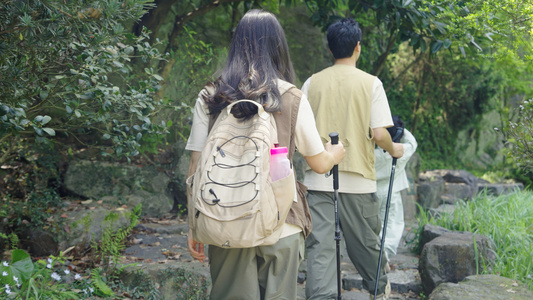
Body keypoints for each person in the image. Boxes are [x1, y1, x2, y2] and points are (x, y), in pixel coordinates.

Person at [185, 9, 345, 300]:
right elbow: (319, 163)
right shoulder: (291, 96)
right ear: (278, 47)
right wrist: (335, 153)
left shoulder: (211, 94)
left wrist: (195, 224)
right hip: (281, 222)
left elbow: (196, 165)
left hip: (224, 222)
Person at [301, 18, 404, 300]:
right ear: (358, 47)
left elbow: (301, 129)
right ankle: (379, 290)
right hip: (358, 181)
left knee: (320, 247)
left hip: (317, 179)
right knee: (366, 245)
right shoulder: (371, 84)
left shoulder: (311, 83)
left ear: (331, 48)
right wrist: (394, 149)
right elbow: (379, 132)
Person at [375, 116, 418, 271]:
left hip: (370, 192)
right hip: (391, 192)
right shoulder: (402, 151)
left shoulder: (373, 156)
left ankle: (373, 254)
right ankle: (384, 252)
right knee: (392, 224)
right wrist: (401, 130)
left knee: (373, 226)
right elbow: (413, 142)